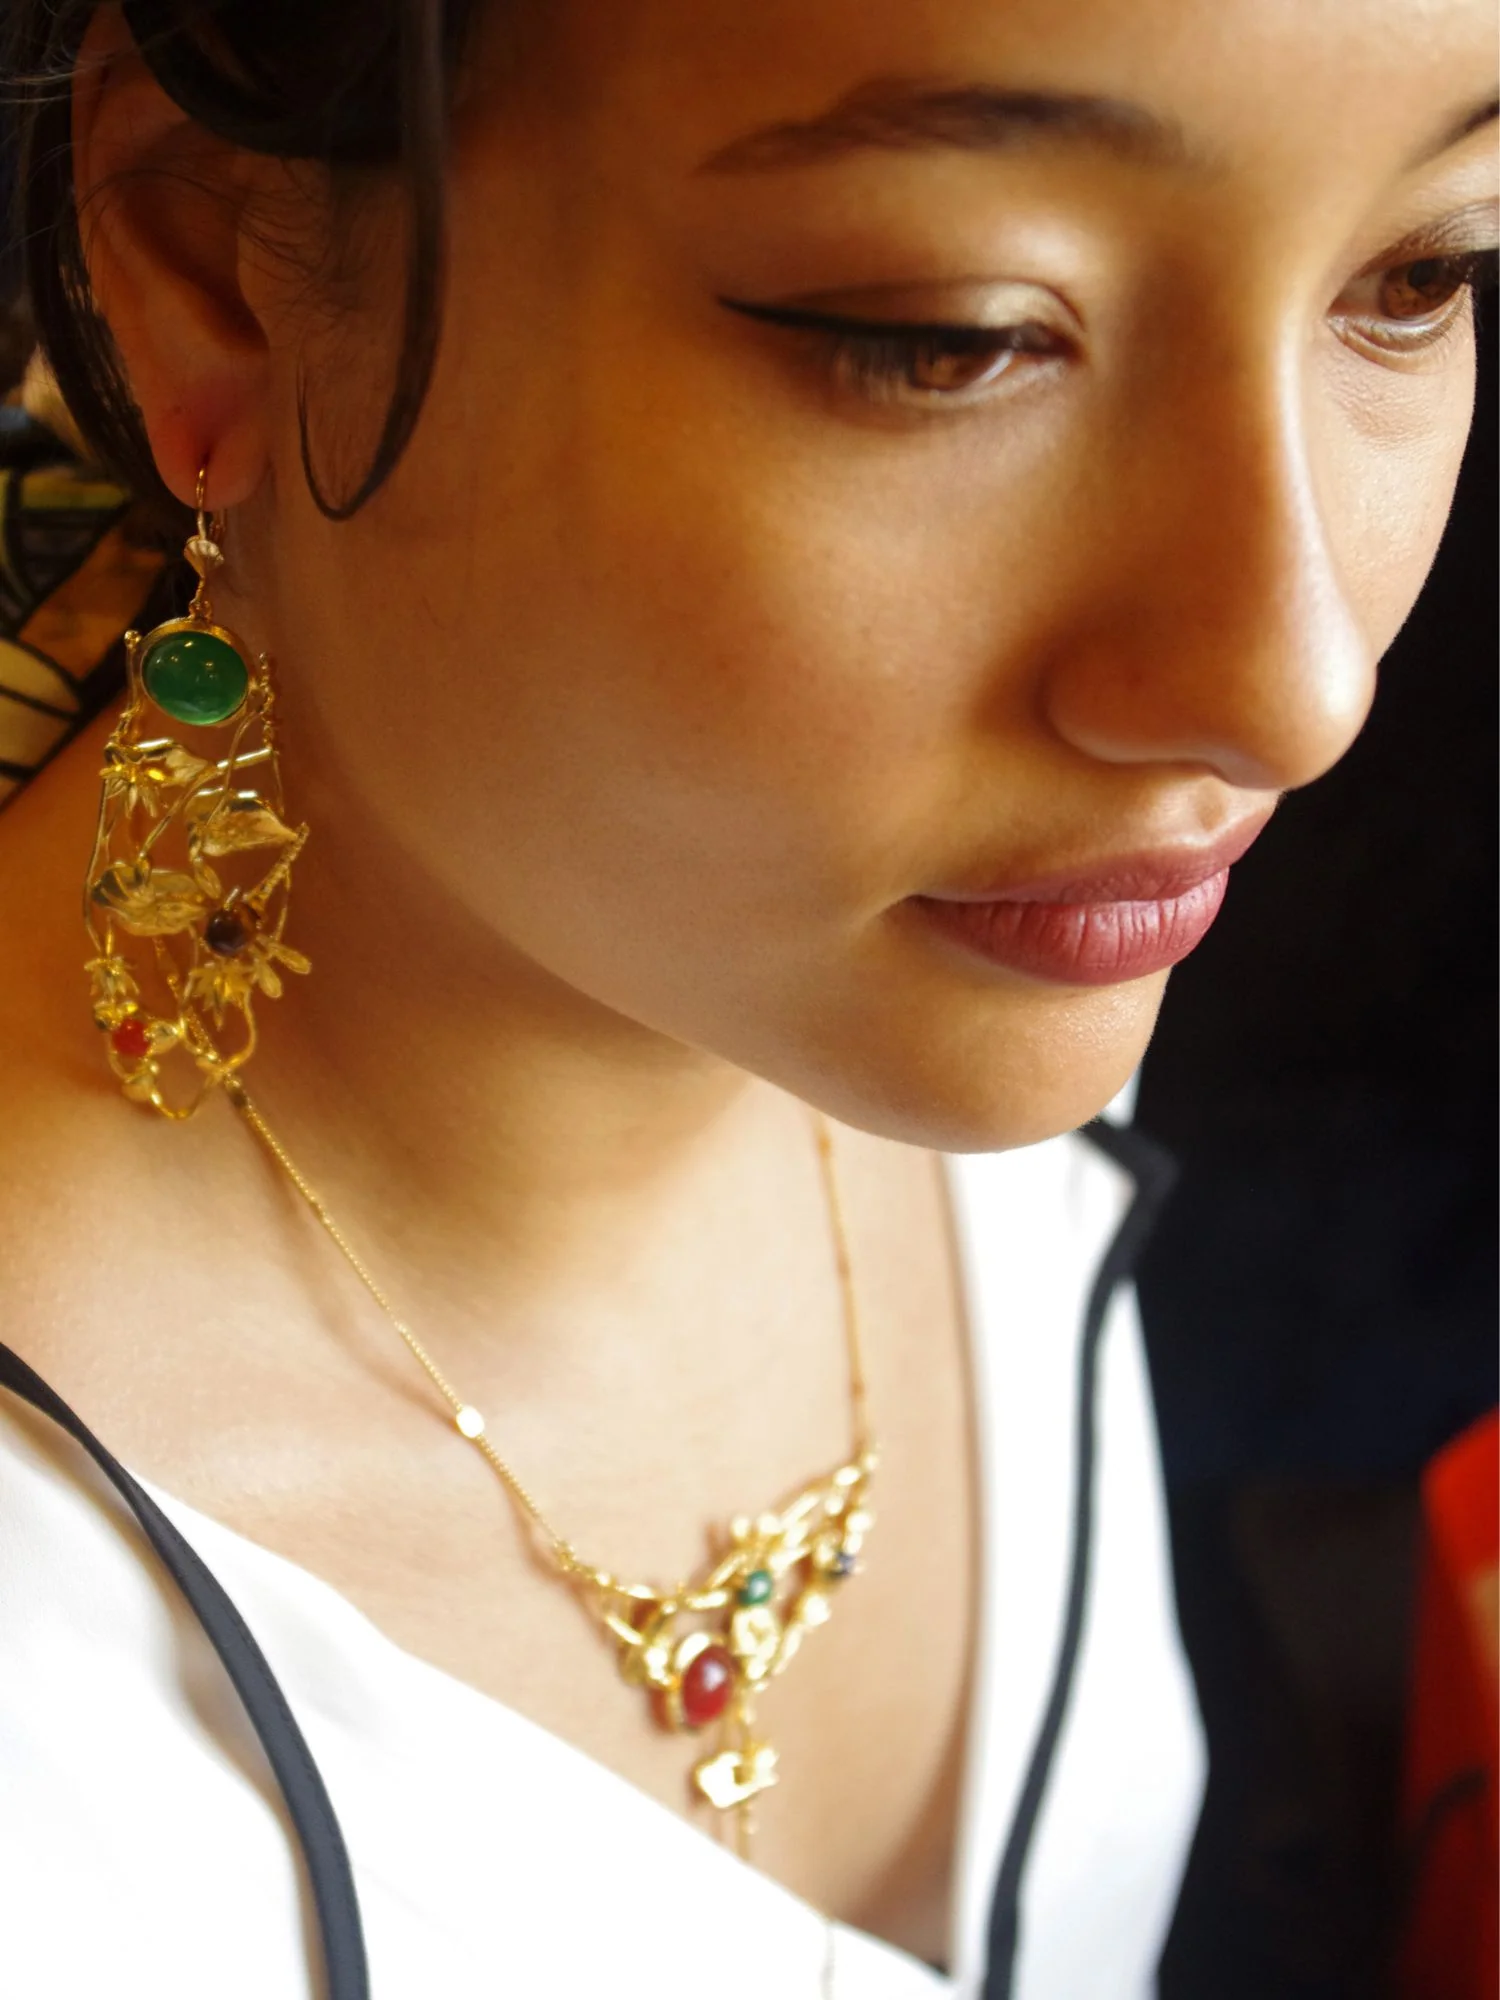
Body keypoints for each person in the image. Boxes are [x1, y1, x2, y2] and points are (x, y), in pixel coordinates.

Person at [0, 2, 1492, 1995]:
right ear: (213, 276)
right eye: (952, 335)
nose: (1292, 687)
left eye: (1422, 276)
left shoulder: (960, 927)